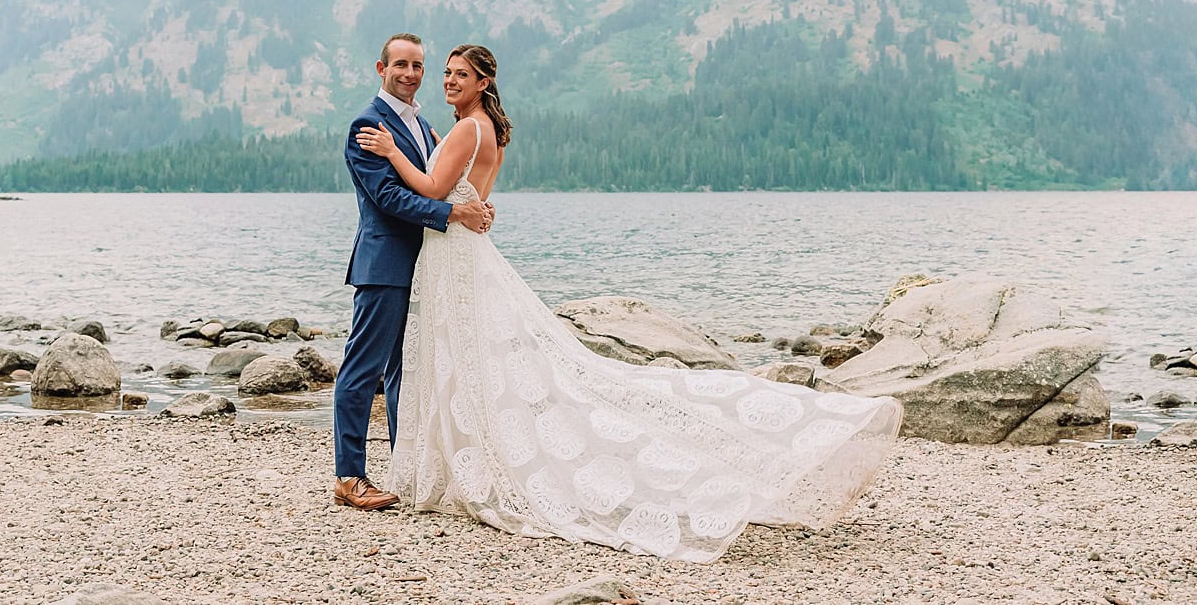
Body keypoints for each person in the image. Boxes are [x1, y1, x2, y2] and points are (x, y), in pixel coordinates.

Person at [356, 44, 904, 562]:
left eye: (459, 74)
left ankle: (469, 466)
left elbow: (430, 190)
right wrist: (460, 202)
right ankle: (467, 460)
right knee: (480, 361)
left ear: (484, 82)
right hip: (469, 251)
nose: (448, 81)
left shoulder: (465, 130)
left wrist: (390, 152)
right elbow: (474, 196)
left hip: (454, 255)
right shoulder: (489, 129)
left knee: (464, 359)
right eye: (445, 73)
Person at [333, 33, 494, 511]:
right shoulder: (368, 124)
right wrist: (451, 216)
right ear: (380, 69)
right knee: (363, 369)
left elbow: (443, 184)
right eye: (400, 64)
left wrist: (472, 204)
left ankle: (410, 470)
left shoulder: (422, 125)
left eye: (418, 65)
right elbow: (387, 198)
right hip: (384, 264)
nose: (410, 73)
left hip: (427, 266)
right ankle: (349, 476)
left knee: (410, 373)